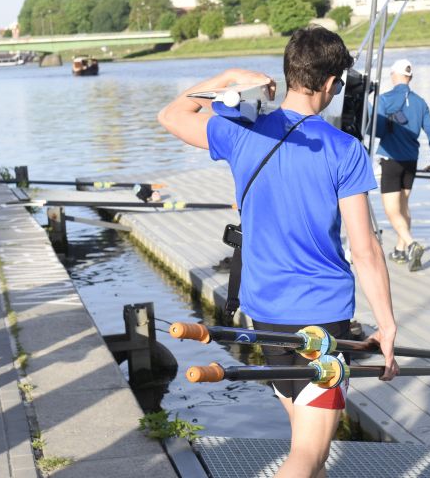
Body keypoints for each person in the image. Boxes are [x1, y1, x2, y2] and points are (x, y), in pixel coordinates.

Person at [159, 26, 398, 478]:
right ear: (330, 84)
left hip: (266, 316)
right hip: (320, 318)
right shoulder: (344, 150)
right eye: (338, 86)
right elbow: (365, 250)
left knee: (310, 452)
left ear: (290, 74)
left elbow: (172, 114)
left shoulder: (241, 131)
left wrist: (228, 76)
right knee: (306, 456)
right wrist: (386, 327)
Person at [375, 59, 430, 272]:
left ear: (394, 75)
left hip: (391, 160)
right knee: (403, 206)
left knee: (392, 211)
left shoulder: (384, 100)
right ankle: (400, 251)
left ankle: (411, 245)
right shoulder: (420, 102)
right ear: (409, 77)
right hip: (411, 161)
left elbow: (378, 131)